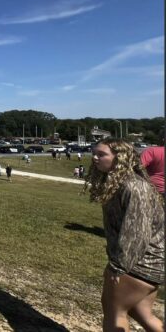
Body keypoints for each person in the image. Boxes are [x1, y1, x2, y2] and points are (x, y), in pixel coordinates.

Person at [85, 139, 164, 331]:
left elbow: (137, 233)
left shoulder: (134, 187)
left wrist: (118, 266)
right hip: (145, 262)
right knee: (141, 313)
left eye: (101, 154)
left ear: (119, 158)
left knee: (115, 313)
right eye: (94, 153)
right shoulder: (118, 183)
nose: (95, 158)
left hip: (140, 264)